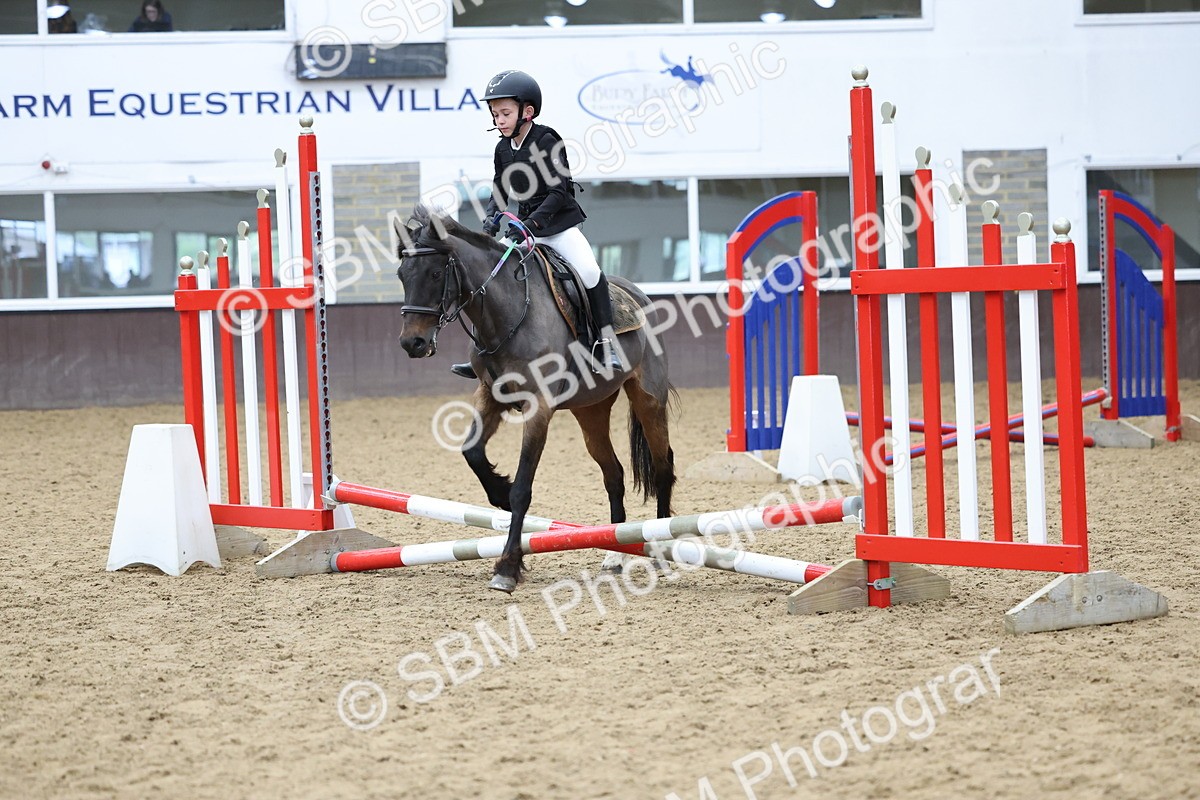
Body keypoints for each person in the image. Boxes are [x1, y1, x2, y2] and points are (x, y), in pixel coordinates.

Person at [451, 69, 622, 379]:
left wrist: (528, 225)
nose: (499, 120)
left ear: (527, 112)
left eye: (505, 113)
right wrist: (491, 221)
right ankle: (481, 351)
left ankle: (605, 344)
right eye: (495, 114)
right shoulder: (503, 148)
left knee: (589, 272)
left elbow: (559, 192)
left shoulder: (546, 139)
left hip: (558, 228)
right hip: (524, 230)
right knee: (488, 275)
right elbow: (501, 188)